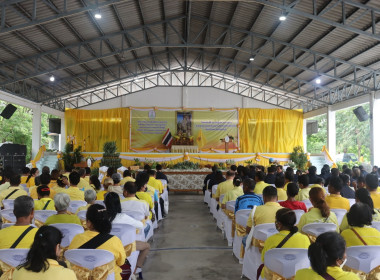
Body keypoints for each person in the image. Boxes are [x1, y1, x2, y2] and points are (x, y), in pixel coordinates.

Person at [68, 204, 126, 280]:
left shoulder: (77, 238)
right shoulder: (115, 240)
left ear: (88, 222)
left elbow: (70, 260)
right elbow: (121, 262)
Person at [105, 192, 150, 275]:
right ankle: (135, 270)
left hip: (107, 248)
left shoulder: (102, 217)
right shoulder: (124, 217)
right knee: (147, 246)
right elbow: (141, 225)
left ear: (106, 204)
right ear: (119, 204)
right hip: (126, 248)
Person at [261, 208, 310, 279]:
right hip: (298, 275)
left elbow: (264, 259)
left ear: (279, 224)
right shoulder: (305, 239)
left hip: (275, 276)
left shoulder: (270, 239)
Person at [295, 232, 359, 280]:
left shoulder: (300, 275)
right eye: (345, 252)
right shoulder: (352, 278)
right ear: (337, 260)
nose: (345, 256)